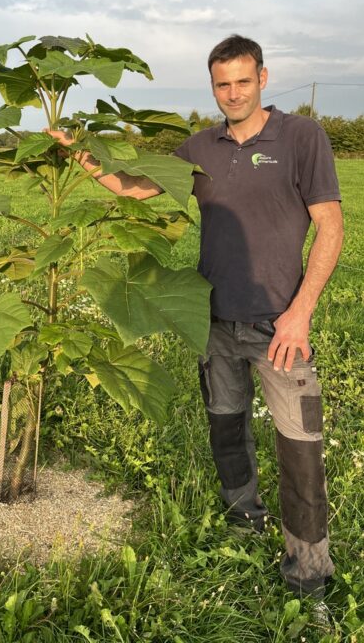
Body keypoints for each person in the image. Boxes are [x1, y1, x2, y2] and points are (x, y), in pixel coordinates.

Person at [47, 34, 343, 599]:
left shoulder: (301, 136)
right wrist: (76, 151)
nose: (233, 92)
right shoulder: (200, 148)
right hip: (212, 319)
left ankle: (309, 577)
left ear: (262, 77)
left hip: (279, 326)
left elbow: (331, 225)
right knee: (226, 428)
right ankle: (243, 519)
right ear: (213, 87)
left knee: (300, 448)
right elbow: (136, 188)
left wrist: (300, 314)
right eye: (222, 84)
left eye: (243, 81)